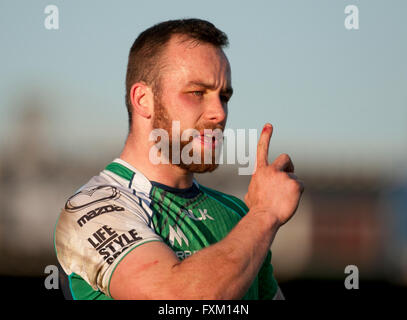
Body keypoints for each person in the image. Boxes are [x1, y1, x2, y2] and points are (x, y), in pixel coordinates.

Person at [54, 18, 304, 300]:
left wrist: (254, 219)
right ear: (143, 99)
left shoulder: (236, 214)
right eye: (197, 93)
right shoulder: (93, 207)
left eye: (224, 96)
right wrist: (264, 215)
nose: (219, 113)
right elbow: (176, 300)